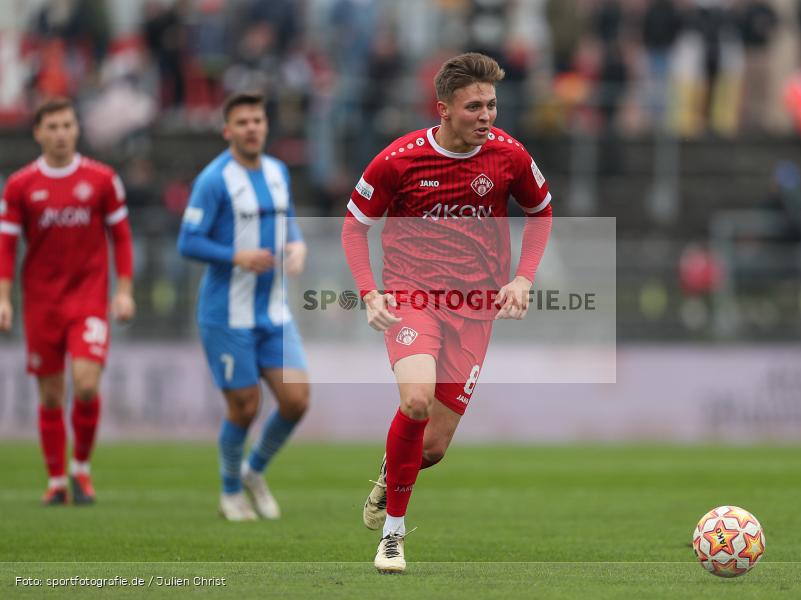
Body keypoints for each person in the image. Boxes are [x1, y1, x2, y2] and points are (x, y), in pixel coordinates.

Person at [341, 52, 553, 573]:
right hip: (413, 297)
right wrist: (370, 292)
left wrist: (524, 277)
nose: (487, 116)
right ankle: (393, 536)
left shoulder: (509, 156)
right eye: (474, 106)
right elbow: (354, 227)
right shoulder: (398, 160)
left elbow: (541, 212)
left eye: (492, 105)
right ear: (443, 109)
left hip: (475, 310)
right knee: (415, 402)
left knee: (431, 448)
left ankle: (392, 474)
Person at [177, 91, 310, 522]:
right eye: (243, 121)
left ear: (266, 125)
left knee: (296, 401)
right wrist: (237, 256)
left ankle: (254, 472)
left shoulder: (276, 171)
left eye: (258, 119)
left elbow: (288, 221)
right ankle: (230, 492)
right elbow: (188, 241)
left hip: (273, 312)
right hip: (226, 314)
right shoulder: (214, 180)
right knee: (245, 407)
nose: (252, 127)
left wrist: (297, 245)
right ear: (227, 130)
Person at [0, 97, 135, 505]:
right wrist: (3, 298)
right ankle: (56, 480)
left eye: (67, 126)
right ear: (38, 132)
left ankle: (81, 469)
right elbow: (6, 245)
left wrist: (124, 290)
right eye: (52, 127)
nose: (61, 134)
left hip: (89, 297)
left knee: (87, 384)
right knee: (51, 395)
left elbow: (122, 236)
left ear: (77, 129)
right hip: (41, 301)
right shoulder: (20, 185)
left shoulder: (102, 179)